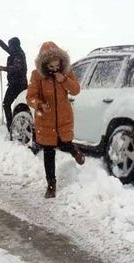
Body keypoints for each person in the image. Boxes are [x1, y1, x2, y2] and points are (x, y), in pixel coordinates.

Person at [26, 41, 85, 198]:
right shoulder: (36, 75)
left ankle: (74, 151)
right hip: (45, 120)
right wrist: (39, 104)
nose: (54, 69)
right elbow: (30, 97)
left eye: (56, 65)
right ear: (44, 64)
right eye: (51, 67)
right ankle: (51, 185)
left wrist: (63, 79)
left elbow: (76, 90)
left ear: (61, 62)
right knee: (49, 152)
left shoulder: (66, 72)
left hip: (64, 117)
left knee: (65, 142)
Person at [0, 34, 28, 134]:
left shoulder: (18, 54)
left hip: (17, 84)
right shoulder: (15, 52)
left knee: (7, 104)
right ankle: (18, 125)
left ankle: (11, 126)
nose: (9, 47)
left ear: (14, 45)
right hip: (19, 84)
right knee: (18, 106)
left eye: (10, 45)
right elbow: (5, 47)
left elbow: (17, 68)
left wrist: (4, 68)